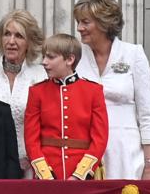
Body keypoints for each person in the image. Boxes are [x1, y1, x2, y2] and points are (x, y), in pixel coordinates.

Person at [73, 0, 150, 180]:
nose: (79, 28)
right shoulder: (75, 57)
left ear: (104, 22)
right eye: (78, 22)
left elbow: (147, 114)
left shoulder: (133, 54)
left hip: (125, 151)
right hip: (85, 151)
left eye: (85, 22)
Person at [25, 33, 107, 181]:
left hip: (82, 173)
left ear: (70, 59)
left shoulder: (93, 91)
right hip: (48, 172)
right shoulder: (36, 92)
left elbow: (100, 139)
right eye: (44, 57)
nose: (44, 62)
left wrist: (79, 174)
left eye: (50, 57)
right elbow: (31, 139)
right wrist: (45, 174)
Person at [0, 10, 48, 174]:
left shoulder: (42, 75)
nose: (11, 41)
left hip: (32, 165)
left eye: (19, 36)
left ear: (30, 42)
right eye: (7, 34)